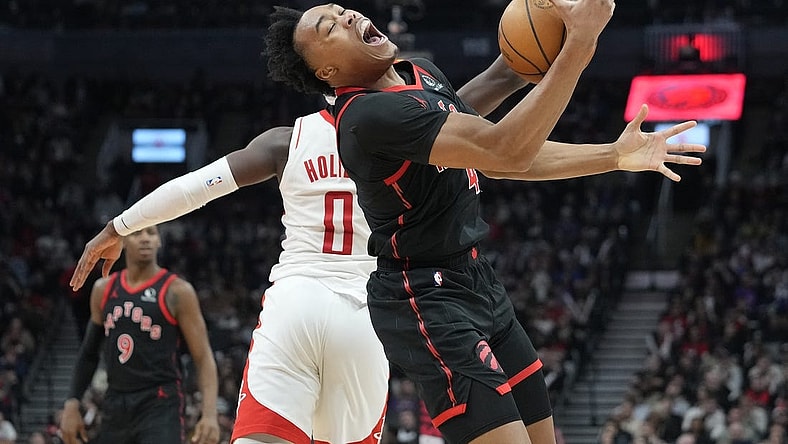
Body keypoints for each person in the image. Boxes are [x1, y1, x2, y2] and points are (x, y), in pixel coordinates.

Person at [263, 1, 706, 443]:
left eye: (343, 11)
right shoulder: (366, 117)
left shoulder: (421, 72)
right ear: (328, 71)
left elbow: (505, 156)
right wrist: (580, 42)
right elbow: (504, 150)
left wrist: (612, 155)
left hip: (476, 279)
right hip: (423, 297)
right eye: (330, 27)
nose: (348, 18)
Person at [68, 41, 536, 443]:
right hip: (367, 311)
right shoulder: (412, 130)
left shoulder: (285, 141)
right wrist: (542, 58)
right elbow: (475, 97)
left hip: (298, 300)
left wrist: (118, 226)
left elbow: (198, 185)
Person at [61, 225, 220, 444]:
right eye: (137, 233)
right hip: (115, 401)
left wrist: (210, 414)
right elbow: (88, 353)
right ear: (122, 242)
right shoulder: (103, 289)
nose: (145, 238)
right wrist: (72, 403)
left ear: (159, 241)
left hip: (160, 402)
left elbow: (203, 357)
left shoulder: (177, 291)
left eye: (151, 233)